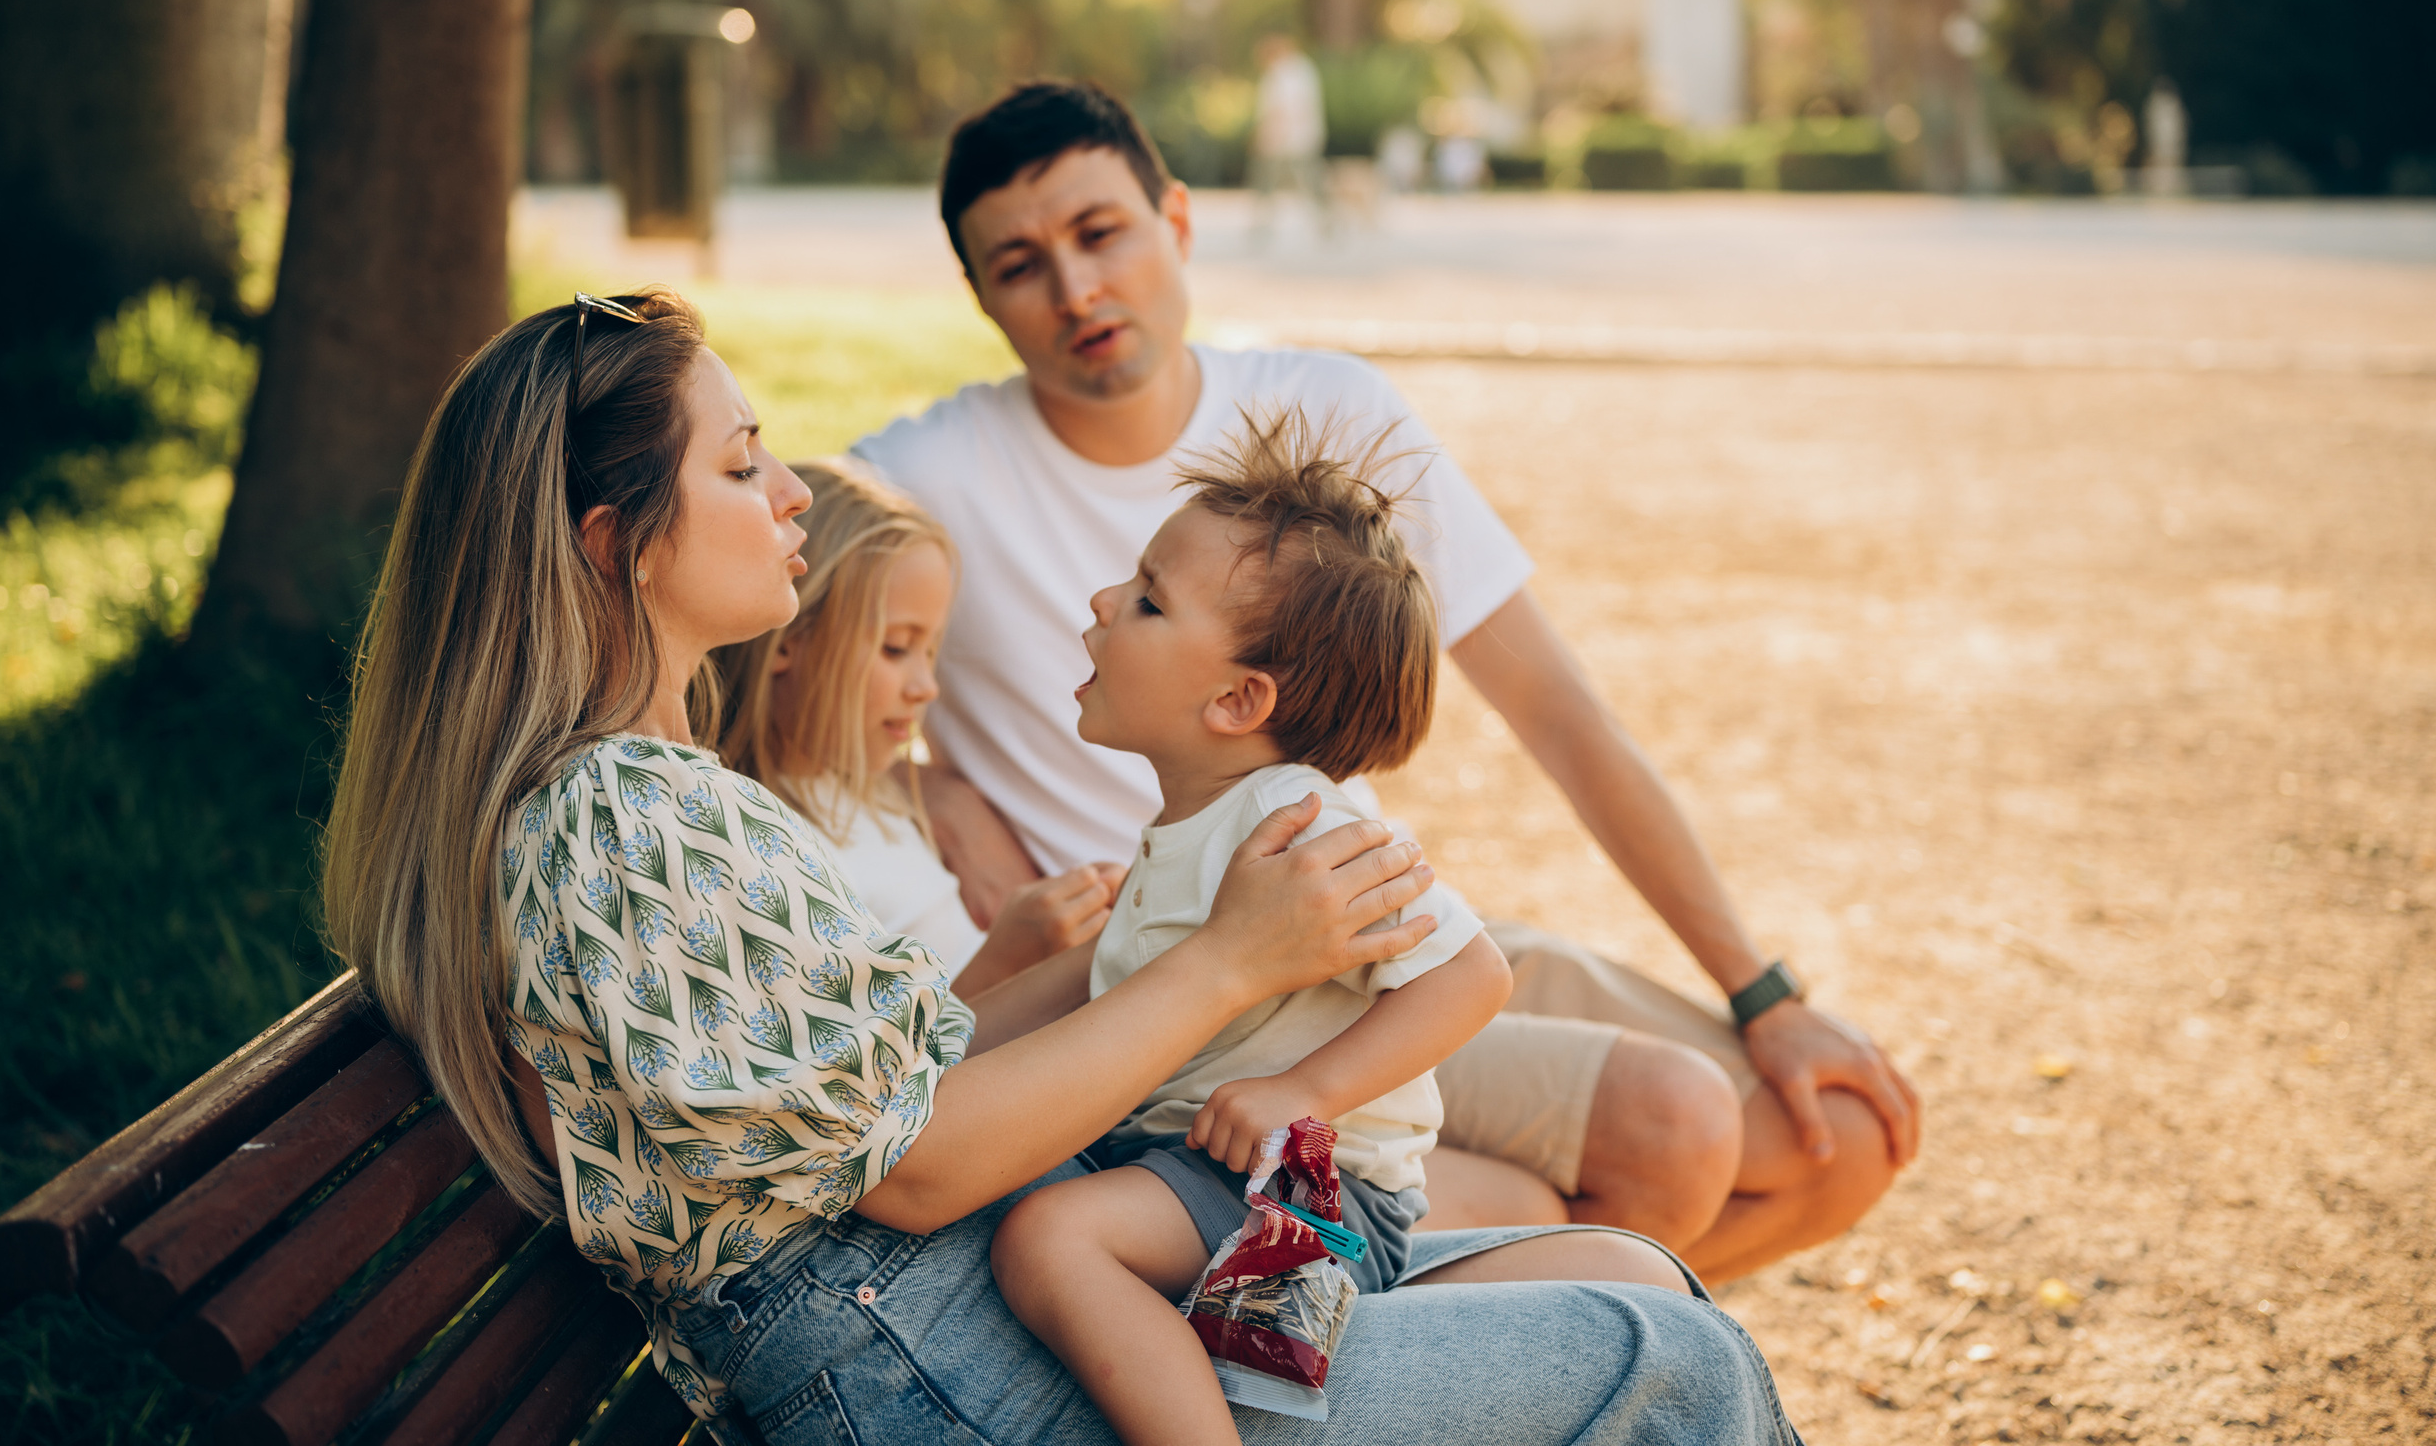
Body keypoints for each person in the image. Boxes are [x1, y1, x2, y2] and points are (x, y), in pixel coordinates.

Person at [317, 288, 1806, 1442]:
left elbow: (886, 1096)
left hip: (966, 1310)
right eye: (742, 464)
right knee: (1669, 1368)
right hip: (925, 1364)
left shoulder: (662, 801)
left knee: (1629, 1278)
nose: (789, 498)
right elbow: (916, 1172)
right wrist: (1227, 960)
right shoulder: (625, 823)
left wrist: (1101, 964)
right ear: (612, 545)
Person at [854, 80, 1923, 1282]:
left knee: (1840, 1138)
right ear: (980, 296)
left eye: (1100, 234)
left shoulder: (1329, 416)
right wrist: (919, 779)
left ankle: (1510, 1319)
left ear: (1178, 220)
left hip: (1370, 931)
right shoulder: (925, 477)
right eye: (1018, 265)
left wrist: (1762, 989)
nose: (1075, 291)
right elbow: (760, 637)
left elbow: (1561, 716)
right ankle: (1508, 1304)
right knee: (1665, 1138)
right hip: (1186, 1011)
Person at [991, 413, 1519, 1442]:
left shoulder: (1298, 817)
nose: (1102, 603)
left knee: (1050, 1240)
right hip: (1200, 1164)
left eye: (1146, 600)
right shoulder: (1191, 826)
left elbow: (1472, 976)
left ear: (1237, 698)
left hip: (1310, 1189)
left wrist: (1302, 1093)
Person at [708, 456, 1122, 997]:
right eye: (896, 648)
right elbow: (882, 1069)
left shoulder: (870, 792)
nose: (925, 687)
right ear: (787, 636)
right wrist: (1007, 960)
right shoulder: (771, 851)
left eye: (930, 653)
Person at [1248, 34, 1328, 243]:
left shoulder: (1286, 72)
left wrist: (1269, 135)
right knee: (1304, 182)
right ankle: (1324, 223)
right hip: (1299, 137)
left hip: (1287, 138)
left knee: (1281, 183)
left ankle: (1263, 226)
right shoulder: (1302, 69)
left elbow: (1283, 108)